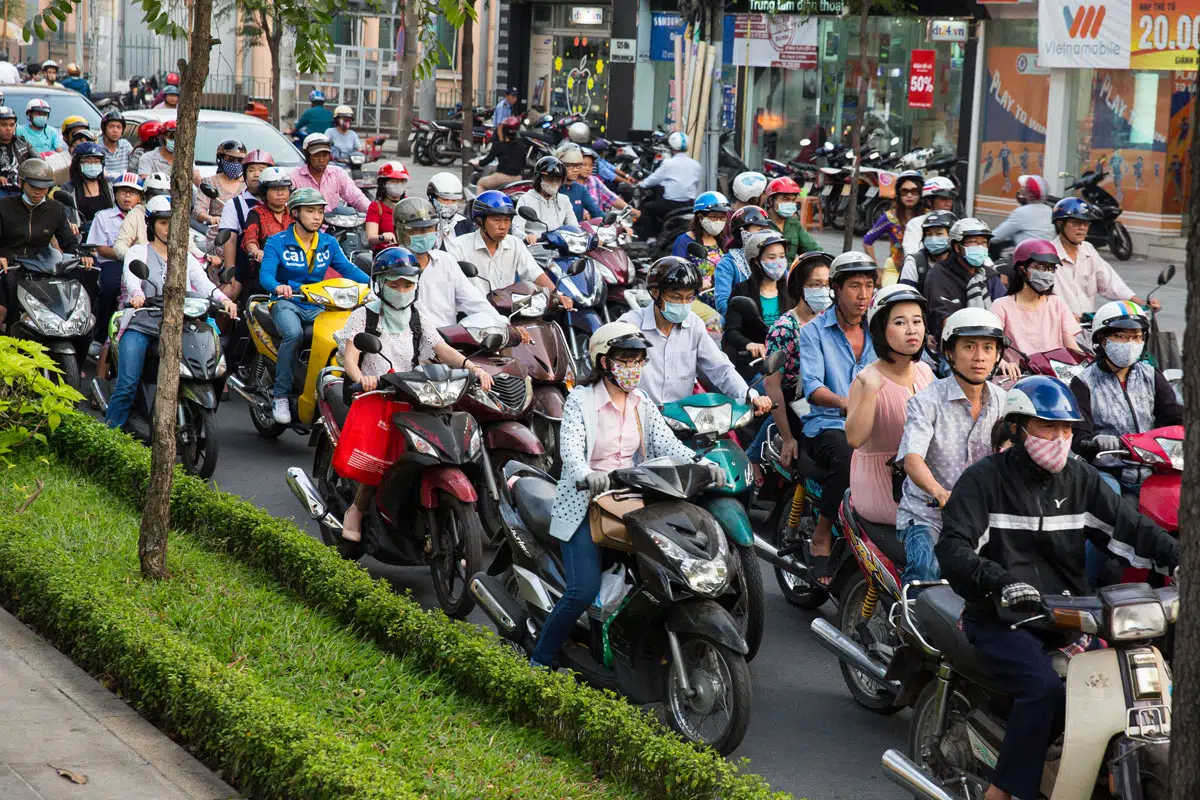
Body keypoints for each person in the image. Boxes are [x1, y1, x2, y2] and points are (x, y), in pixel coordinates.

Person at [936, 375, 1178, 800]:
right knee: (1043, 690)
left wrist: (1181, 558)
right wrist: (1000, 580)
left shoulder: (1080, 479)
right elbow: (954, 548)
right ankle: (1002, 791)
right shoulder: (983, 480)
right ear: (1016, 428)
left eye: (1067, 429)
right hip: (1001, 618)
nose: (1060, 439)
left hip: (1068, 619)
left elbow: (1133, 528)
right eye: (1048, 427)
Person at [530, 321, 718, 668]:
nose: (633, 368)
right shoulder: (581, 400)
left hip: (632, 503)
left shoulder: (641, 402)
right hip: (584, 504)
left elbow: (668, 444)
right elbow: (570, 451)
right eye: (625, 360)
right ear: (604, 362)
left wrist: (703, 463)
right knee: (582, 591)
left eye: (638, 360)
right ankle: (540, 660)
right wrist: (588, 475)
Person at [337, 247, 494, 542]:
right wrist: (363, 379)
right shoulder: (364, 316)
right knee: (381, 457)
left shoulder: (417, 316)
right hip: (379, 395)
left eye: (407, 284)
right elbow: (351, 359)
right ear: (379, 284)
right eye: (394, 284)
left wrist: (472, 368)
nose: (401, 291)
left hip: (416, 393)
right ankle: (356, 509)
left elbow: (442, 349)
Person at [105, 195, 238, 429]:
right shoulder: (138, 252)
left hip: (181, 323)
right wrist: (137, 295)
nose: (169, 228)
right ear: (151, 225)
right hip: (143, 322)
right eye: (163, 223)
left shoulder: (184, 256)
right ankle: (110, 433)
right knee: (128, 383)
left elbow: (203, 283)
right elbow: (133, 280)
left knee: (209, 369)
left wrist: (224, 299)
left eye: (173, 223)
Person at [896, 308, 1008, 584]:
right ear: (950, 353)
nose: (979, 356)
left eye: (988, 348)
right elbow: (912, 459)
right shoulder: (926, 402)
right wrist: (939, 492)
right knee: (926, 573)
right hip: (929, 515)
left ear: (997, 355)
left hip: (984, 516)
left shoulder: (1005, 401)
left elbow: (1011, 453)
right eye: (969, 347)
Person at [796, 251, 878, 582]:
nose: (863, 295)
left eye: (869, 286)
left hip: (876, 425)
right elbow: (814, 387)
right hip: (827, 425)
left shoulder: (881, 330)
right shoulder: (813, 331)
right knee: (849, 457)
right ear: (836, 289)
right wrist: (848, 403)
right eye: (855, 286)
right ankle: (822, 534)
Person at [257, 187, 371, 424]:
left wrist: (374, 283)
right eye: (310, 211)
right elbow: (266, 275)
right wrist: (278, 287)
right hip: (287, 302)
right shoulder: (276, 242)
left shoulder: (328, 242)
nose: (317, 217)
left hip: (319, 304)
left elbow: (348, 269)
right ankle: (280, 395)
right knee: (294, 334)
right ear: (295, 213)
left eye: (320, 211)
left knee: (342, 336)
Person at [619, 256, 772, 411]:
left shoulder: (693, 324)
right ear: (655, 293)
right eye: (676, 297)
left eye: (689, 298)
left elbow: (720, 369)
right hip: (638, 414)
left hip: (680, 417)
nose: (683, 304)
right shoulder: (629, 326)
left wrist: (750, 395)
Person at [1070, 300, 1183, 497]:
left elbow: (1173, 417)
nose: (1130, 343)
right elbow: (1078, 437)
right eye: (1121, 336)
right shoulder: (1084, 383)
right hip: (1108, 473)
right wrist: (1095, 441)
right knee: (1112, 506)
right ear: (1102, 339)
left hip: (1154, 468)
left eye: (1137, 337)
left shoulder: (1151, 375)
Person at [845, 284, 934, 525]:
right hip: (882, 487)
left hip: (920, 479)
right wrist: (871, 390)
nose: (911, 330)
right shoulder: (867, 379)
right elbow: (854, 439)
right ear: (880, 330)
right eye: (900, 322)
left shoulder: (925, 371)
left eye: (917, 321)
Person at [391, 197, 505, 333]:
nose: (425, 234)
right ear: (401, 231)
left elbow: (474, 301)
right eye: (416, 230)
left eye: (429, 228)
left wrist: (504, 325)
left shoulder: (445, 261)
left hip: (448, 339)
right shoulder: (390, 264)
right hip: (409, 340)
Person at [760, 251, 832, 467]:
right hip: (799, 406)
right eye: (815, 284)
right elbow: (772, 385)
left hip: (831, 405)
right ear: (800, 288)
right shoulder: (784, 329)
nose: (823, 290)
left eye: (828, 284)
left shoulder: (831, 321)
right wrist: (788, 438)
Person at [0, 159, 90, 328]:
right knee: (1, 311)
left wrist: (81, 255)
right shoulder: (3, 206)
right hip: (6, 269)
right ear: (21, 182)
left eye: (44, 187)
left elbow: (68, 240)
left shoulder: (56, 209)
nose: (38, 191)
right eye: (33, 186)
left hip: (41, 271)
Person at [447, 190, 569, 307]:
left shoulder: (515, 244)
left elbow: (535, 273)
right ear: (480, 221)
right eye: (497, 220)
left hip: (508, 311)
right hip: (473, 313)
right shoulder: (459, 246)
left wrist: (557, 294)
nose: (503, 226)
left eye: (507, 220)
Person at [1050, 198, 1158, 317]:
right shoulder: (1048, 255)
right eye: (1076, 223)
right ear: (1060, 224)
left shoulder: (1088, 250)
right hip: (1058, 324)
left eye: (1086, 223)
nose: (1082, 227)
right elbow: (1042, 297)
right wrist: (1065, 316)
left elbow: (1111, 283)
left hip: (1086, 325)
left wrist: (1141, 304)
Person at [991, 239, 1083, 369]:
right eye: (1040, 267)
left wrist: (1085, 365)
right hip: (1018, 375)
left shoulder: (1057, 303)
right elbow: (989, 345)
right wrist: (1004, 364)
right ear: (1022, 269)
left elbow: (1072, 346)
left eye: (1051, 268)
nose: (1047, 273)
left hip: (1054, 373)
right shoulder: (1001, 306)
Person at [923, 217, 1006, 350]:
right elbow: (942, 318)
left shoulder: (990, 276)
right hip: (952, 348)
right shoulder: (938, 275)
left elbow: (1004, 311)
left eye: (983, 243)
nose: (979, 247)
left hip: (991, 345)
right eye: (973, 243)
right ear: (957, 247)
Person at [85, 174, 143, 364]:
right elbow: (101, 248)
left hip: (142, 264)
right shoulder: (103, 216)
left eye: (133, 193)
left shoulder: (146, 217)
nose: (127, 196)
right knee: (110, 287)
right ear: (115, 194)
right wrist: (129, 255)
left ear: (140, 197)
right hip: (113, 261)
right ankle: (100, 336)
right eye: (123, 192)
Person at [722, 230, 789, 380]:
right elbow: (731, 331)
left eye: (782, 256)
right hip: (756, 365)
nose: (779, 262)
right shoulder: (742, 290)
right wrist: (749, 344)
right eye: (771, 257)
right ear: (756, 261)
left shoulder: (791, 291)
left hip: (789, 364)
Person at [114, 172, 209, 265]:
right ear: (145, 196)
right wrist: (137, 258)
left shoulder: (176, 214)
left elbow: (190, 247)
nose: (160, 200)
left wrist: (206, 257)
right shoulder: (136, 213)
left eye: (165, 196)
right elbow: (120, 245)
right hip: (144, 268)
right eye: (155, 196)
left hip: (173, 266)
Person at [216, 148, 274, 293]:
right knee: (229, 294)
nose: (256, 174)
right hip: (244, 265)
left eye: (262, 170)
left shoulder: (281, 204)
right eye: (251, 170)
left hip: (276, 265)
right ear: (244, 174)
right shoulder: (234, 204)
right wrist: (230, 271)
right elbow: (230, 239)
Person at [634, 131, 700, 240]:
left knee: (646, 208)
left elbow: (653, 180)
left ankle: (651, 239)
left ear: (671, 147)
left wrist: (641, 184)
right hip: (689, 204)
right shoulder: (696, 165)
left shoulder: (668, 163)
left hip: (671, 204)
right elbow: (696, 184)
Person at [862, 170, 924, 282]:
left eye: (914, 191)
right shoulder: (890, 217)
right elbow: (867, 241)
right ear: (898, 194)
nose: (909, 195)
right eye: (904, 191)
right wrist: (876, 271)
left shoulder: (928, 217)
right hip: (895, 270)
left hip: (922, 269)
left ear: (920, 193)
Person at [714, 205, 771, 318]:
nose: (765, 235)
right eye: (760, 230)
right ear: (743, 233)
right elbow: (722, 304)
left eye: (767, 230)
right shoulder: (728, 264)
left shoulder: (772, 259)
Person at [290, 132, 369, 213]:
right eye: (316, 155)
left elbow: (357, 197)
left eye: (325, 155)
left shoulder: (338, 173)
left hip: (334, 220)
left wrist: (372, 212)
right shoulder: (295, 176)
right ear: (308, 156)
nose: (321, 160)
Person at [672, 191, 730, 286]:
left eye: (722, 217)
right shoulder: (683, 241)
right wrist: (697, 282)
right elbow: (677, 272)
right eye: (713, 217)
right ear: (700, 218)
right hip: (695, 293)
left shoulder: (725, 240)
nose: (718, 221)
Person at [513, 156, 573, 241]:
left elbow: (573, 225)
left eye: (558, 180)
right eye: (550, 179)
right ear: (539, 179)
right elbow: (516, 229)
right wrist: (526, 237)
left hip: (561, 246)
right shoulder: (526, 199)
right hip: (536, 246)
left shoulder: (564, 200)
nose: (554, 183)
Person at [897, 209, 956, 296]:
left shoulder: (961, 263)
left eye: (939, 233)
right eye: (929, 234)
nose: (933, 238)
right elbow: (905, 297)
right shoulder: (915, 263)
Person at [760, 176, 819, 261]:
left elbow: (812, 248)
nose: (790, 203)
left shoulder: (794, 223)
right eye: (785, 199)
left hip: (792, 269)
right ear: (771, 201)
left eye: (793, 200)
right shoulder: (759, 222)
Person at [61, 142, 114, 234]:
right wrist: (70, 222)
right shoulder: (68, 188)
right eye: (87, 161)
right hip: (81, 236)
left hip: (109, 234)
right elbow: (65, 212)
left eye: (96, 162)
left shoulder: (111, 185)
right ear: (77, 164)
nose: (92, 165)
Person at [990, 174, 1055, 249]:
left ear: (1029, 195)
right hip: (1049, 253)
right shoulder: (1049, 210)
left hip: (1029, 254)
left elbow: (995, 237)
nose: (1021, 191)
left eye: (1024, 188)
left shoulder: (1021, 213)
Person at [901, 177, 957, 257]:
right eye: (943, 199)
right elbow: (912, 254)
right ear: (929, 201)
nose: (948, 203)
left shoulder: (957, 223)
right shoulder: (915, 224)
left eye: (950, 199)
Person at [365, 161, 409, 251]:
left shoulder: (408, 203)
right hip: (385, 253)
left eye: (402, 181)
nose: (399, 184)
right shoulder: (376, 207)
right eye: (394, 181)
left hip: (407, 252)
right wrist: (382, 237)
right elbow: (371, 237)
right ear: (383, 183)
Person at [577, 146, 634, 217]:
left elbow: (611, 198)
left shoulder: (594, 180)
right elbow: (610, 174)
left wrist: (626, 176)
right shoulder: (569, 186)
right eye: (584, 165)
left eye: (590, 165)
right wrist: (626, 180)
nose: (588, 168)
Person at [474, 115, 525, 191]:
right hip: (518, 178)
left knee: (481, 183)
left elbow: (488, 159)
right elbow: (523, 163)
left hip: (502, 177)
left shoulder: (499, 145)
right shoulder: (521, 144)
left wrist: (477, 163)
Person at [557, 145, 602, 223]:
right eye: (570, 166)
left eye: (578, 166)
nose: (575, 170)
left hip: (577, 230)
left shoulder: (580, 189)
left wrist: (615, 223)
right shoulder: (552, 189)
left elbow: (596, 212)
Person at [427, 172, 471, 246]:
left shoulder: (464, 222)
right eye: (445, 199)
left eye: (454, 200)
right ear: (432, 198)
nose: (449, 204)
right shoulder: (424, 223)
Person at [0, 106, 33, 186]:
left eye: (12, 125)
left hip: (22, 187)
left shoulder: (23, 143)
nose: (8, 128)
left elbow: (39, 163)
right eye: (4, 125)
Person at [99, 109, 133, 175]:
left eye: (119, 127)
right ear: (104, 128)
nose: (115, 130)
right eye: (111, 127)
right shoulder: (96, 146)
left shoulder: (126, 145)